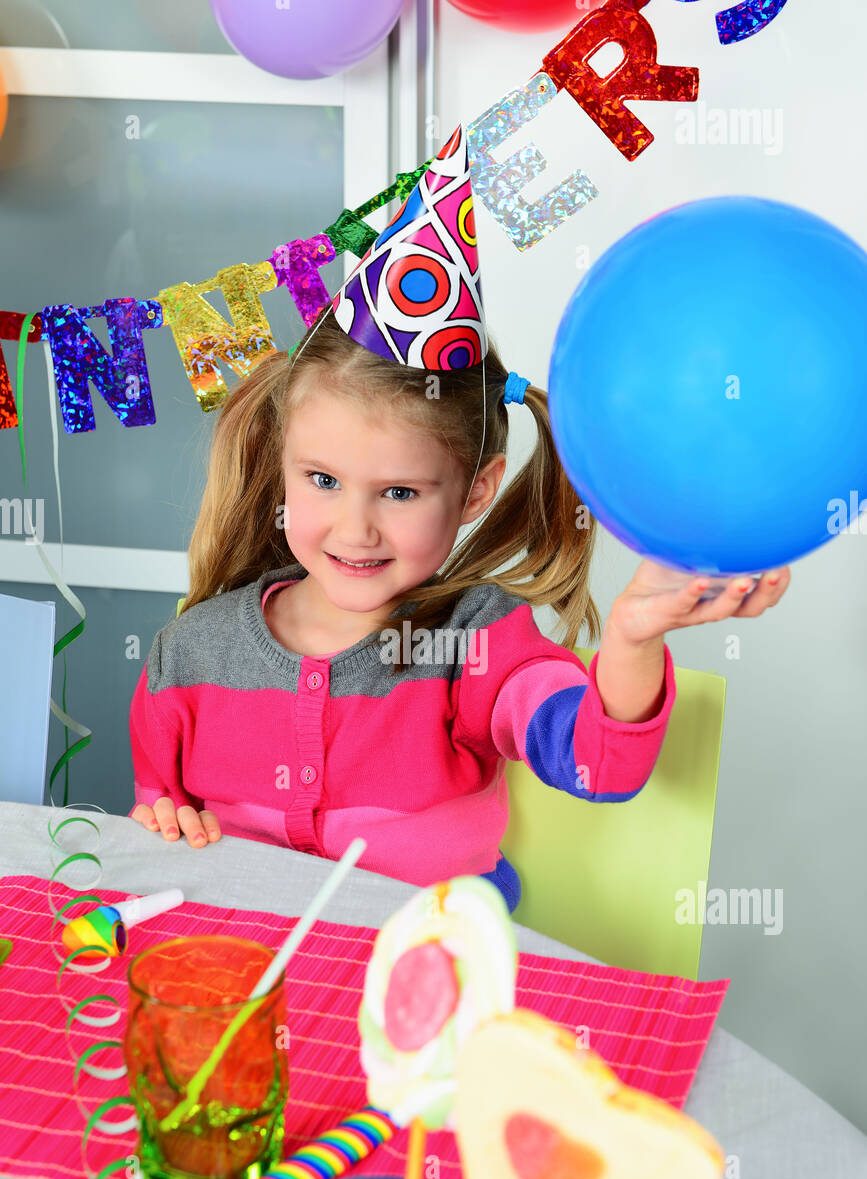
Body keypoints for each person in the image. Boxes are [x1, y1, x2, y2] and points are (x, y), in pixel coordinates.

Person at [129, 124, 790, 913]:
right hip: (243, 984)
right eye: (323, 480)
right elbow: (157, 837)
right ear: (281, 467)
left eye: (399, 493)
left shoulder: (477, 643)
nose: (355, 528)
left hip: (428, 988)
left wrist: (631, 637)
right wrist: (156, 823)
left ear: (474, 492)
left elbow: (597, 768)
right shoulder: (188, 654)